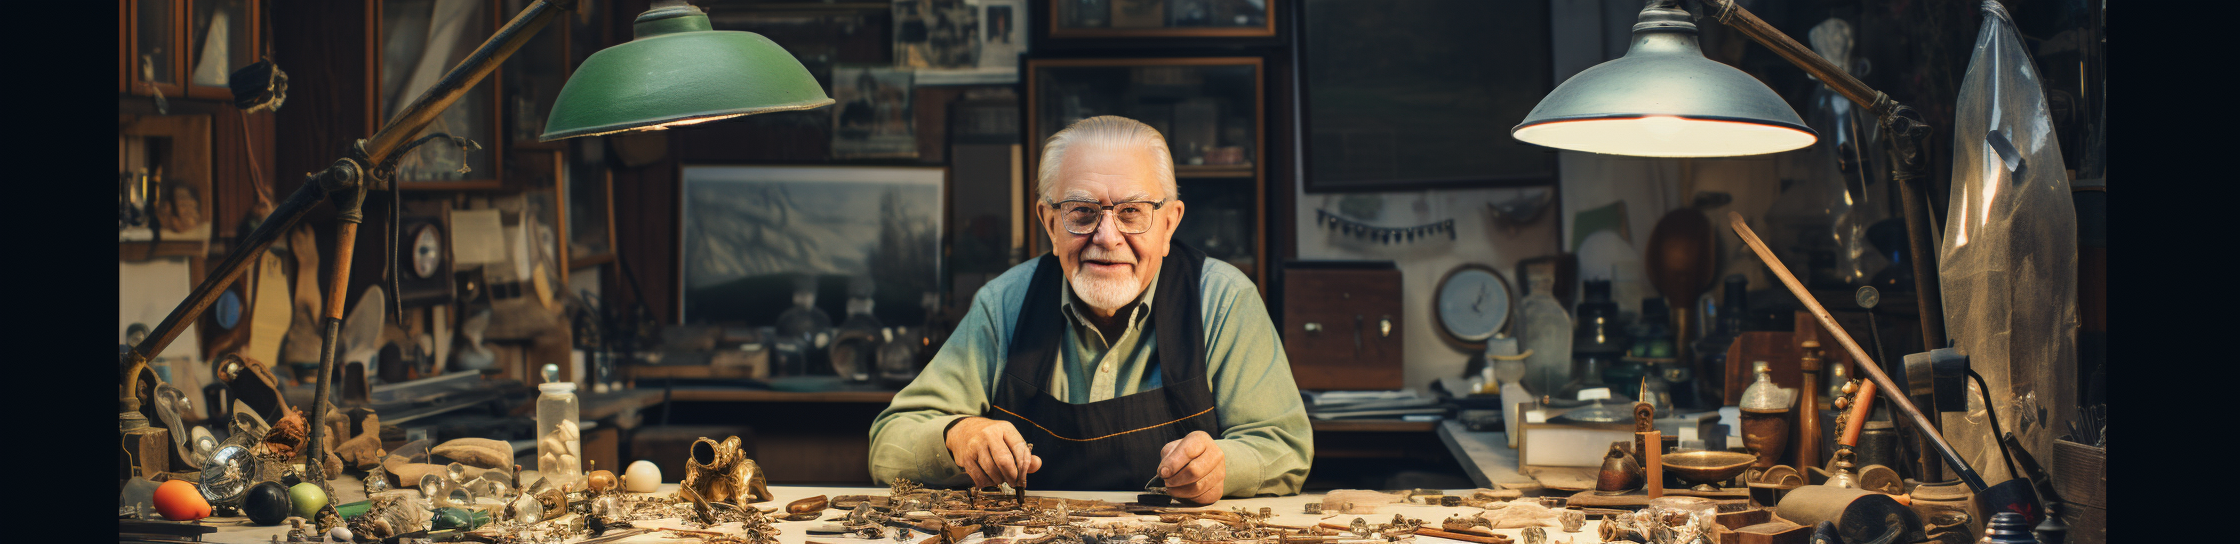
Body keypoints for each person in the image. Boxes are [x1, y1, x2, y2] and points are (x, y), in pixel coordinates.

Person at [869, 116, 1310, 504]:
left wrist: (1222, 466)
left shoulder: (1222, 301)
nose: (1107, 236)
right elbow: (889, 446)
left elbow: (1285, 447)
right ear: (1049, 223)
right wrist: (958, 436)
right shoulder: (1005, 303)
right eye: (1082, 212)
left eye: (1132, 212)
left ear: (1170, 223)